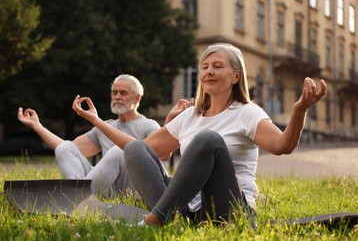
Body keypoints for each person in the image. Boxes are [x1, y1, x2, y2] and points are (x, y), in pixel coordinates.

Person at [71, 43, 327, 227]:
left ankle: (155, 219)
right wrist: (95, 121)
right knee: (135, 149)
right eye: (204, 67)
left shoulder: (247, 113)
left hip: (229, 209)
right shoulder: (190, 116)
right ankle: (171, 220)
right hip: (187, 209)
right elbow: (148, 150)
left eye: (217, 66)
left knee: (208, 139)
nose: (208, 71)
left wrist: (299, 112)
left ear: (236, 76)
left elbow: (283, 145)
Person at [17, 74, 162, 197]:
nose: (117, 97)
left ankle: (75, 197)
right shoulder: (105, 126)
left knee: (119, 150)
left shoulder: (149, 125)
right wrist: (38, 126)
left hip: (132, 190)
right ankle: (77, 196)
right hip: (103, 189)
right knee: (65, 147)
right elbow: (69, 150)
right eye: (114, 92)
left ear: (137, 99)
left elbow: (161, 156)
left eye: (123, 93)